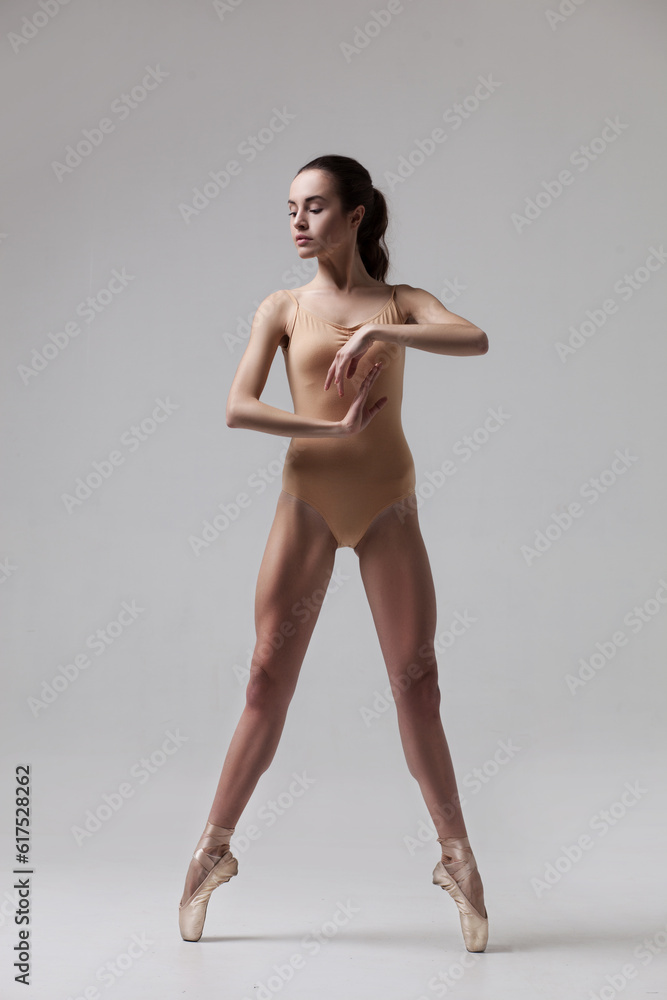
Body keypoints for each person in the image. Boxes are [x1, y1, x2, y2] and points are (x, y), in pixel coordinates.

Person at [178, 154, 490, 952]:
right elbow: (238, 407)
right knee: (263, 680)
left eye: (313, 207)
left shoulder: (399, 300)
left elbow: (474, 337)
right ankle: (213, 849)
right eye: (290, 207)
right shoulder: (283, 306)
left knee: (418, 686)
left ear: (355, 215)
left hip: (387, 504)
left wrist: (387, 326)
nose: (296, 220)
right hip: (309, 502)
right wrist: (331, 429)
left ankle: (456, 859)